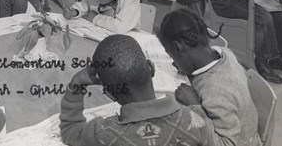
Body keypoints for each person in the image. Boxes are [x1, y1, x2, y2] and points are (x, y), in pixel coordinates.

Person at [59, 34, 211, 146]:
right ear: (151, 68)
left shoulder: (103, 134)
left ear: (111, 94)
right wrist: (197, 106)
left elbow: (70, 131)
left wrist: (77, 83)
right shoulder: (196, 121)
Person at [157, 8, 261, 146]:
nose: (173, 61)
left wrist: (195, 106)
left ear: (178, 47)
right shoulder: (224, 52)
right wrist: (185, 65)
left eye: (171, 55)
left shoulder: (216, 92)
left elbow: (227, 143)